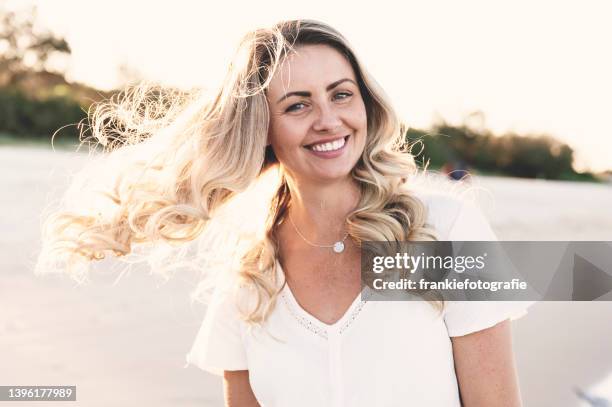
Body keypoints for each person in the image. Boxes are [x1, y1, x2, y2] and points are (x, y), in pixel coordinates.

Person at [38, 19, 532, 406]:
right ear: (262, 129)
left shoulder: (445, 228)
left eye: (341, 94)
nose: (328, 119)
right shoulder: (248, 276)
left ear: (366, 105)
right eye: (297, 106)